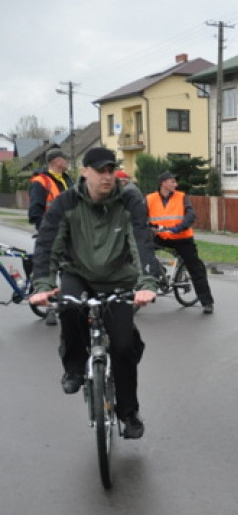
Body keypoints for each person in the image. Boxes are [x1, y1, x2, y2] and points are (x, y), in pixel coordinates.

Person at [28, 147, 158, 439]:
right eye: (101, 170)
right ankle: (74, 368)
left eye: (111, 170)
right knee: (70, 308)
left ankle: (128, 413)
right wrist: (42, 286)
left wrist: (147, 284)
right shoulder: (65, 203)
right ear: (84, 171)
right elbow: (48, 245)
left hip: (118, 278)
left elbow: (141, 242)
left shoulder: (130, 200)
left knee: (123, 347)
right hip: (78, 274)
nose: (107, 176)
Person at [147, 171, 215, 313]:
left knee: (195, 268)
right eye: (172, 182)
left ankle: (207, 302)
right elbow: (140, 215)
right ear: (163, 183)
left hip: (181, 238)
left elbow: (191, 215)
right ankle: (157, 275)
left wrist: (179, 228)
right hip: (160, 236)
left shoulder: (182, 197)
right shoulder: (150, 198)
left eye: (175, 182)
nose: (176, 184)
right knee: (141, 252)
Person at [28, 148, 74, 326]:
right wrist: (46, 232)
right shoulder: (41, 182)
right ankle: (50, 310)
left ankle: (69, 305)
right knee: (50, 270)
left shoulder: (67, 180)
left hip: (69, 233)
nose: (68, 161)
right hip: (52, 234)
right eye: (65, 158)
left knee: (70, 270)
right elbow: (35, 212)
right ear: (56, 161)